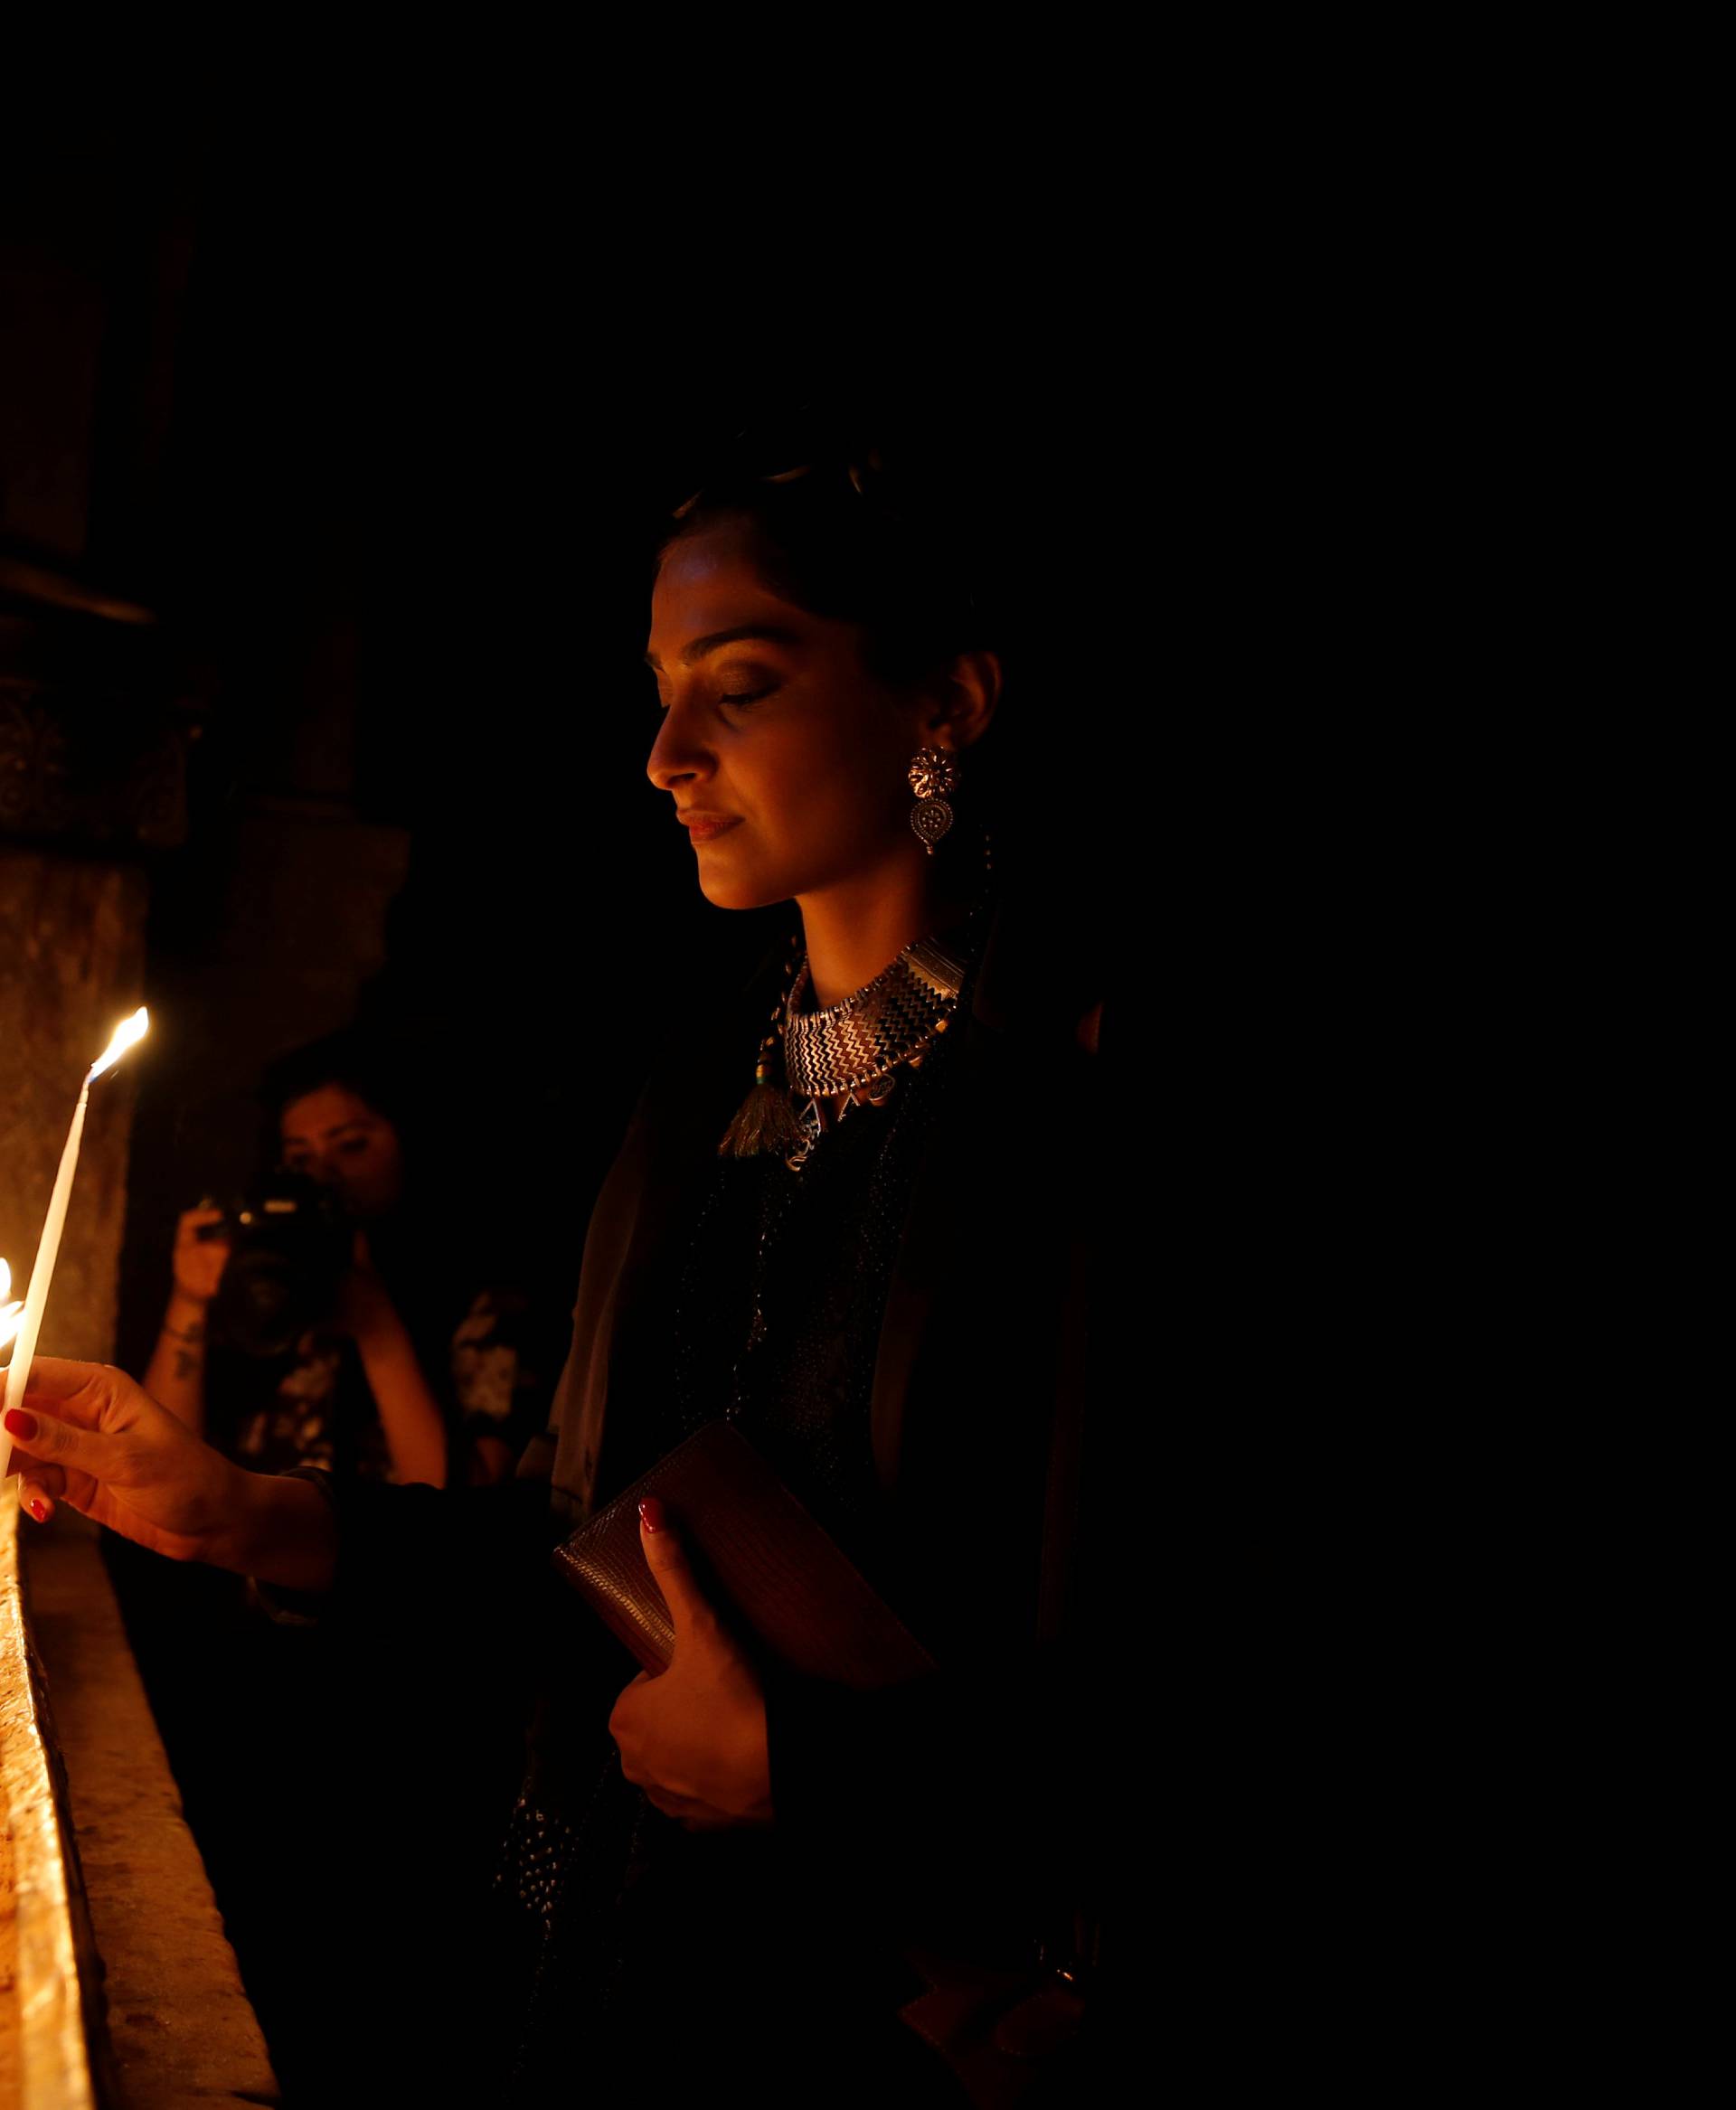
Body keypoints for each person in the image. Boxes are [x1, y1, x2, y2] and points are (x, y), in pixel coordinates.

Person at [9, 441, 1104, 2105]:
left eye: (738, 687)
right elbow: (582, 1544)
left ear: (945, 704)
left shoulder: (1062, 1112)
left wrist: (809, 1773)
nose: (666, 754)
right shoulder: (690, 1103)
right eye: (660, 693)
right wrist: (245, 1506)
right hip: (600, 1976)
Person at [145, 1032, 555, 1490]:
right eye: (300, 1156)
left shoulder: (482, 1295)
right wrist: (189, 1298)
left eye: (352, 1146)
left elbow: (460, 1511)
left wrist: (376, 1328)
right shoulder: (263, 1272)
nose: (322, 1173)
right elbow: (162, 1466)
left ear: (411, 1142)